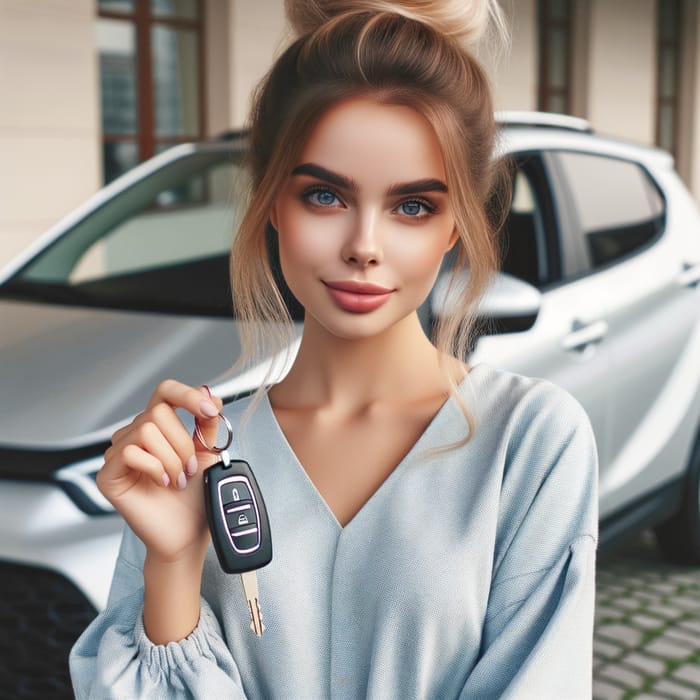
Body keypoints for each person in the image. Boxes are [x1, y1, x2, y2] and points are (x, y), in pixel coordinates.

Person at [70, 1, 598, 697]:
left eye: (413, 206)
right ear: (271, 204)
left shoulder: (531, 442)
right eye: (324, 196)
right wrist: (170, 563)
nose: (364, 247)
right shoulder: (200, 455)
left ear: (454, 226)